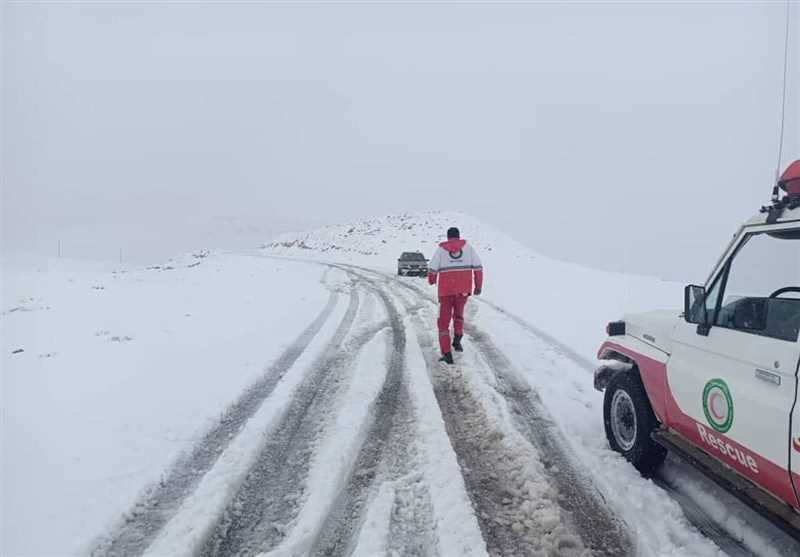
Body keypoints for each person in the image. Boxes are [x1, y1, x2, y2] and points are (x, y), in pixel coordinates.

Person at [427, 227, 484, 364]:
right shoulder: (469, 249)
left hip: (446, 292)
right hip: (463, 291)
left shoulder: (441, 250)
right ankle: (457, 341)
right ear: (458, 236)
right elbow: (478, 268)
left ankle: (447, 353)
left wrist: (432, 280)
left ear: (448, 237)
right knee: (458, 315)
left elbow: (432, 269)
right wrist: (478, 286)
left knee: (443, 322)